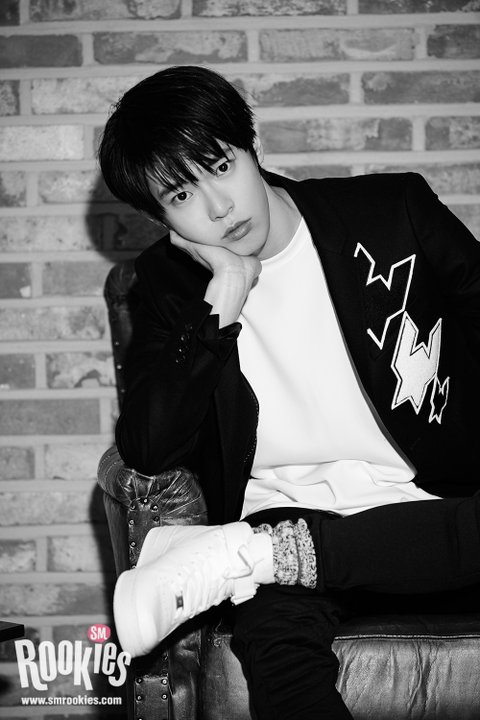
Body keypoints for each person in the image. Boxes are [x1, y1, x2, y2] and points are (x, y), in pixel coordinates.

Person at [99, 65, 480, 719]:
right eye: (182, 195)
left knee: (265, 570)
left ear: (251, 147)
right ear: (160, 217)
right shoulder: (167, 284)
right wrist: (221, 299)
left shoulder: (391, 214)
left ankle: (253, 558)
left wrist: (264, 554)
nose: (219, 207)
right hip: (289, 515)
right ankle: (268, 553)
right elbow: (148, 447)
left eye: (221, 166)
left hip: (428, 510)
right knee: (279, 647)